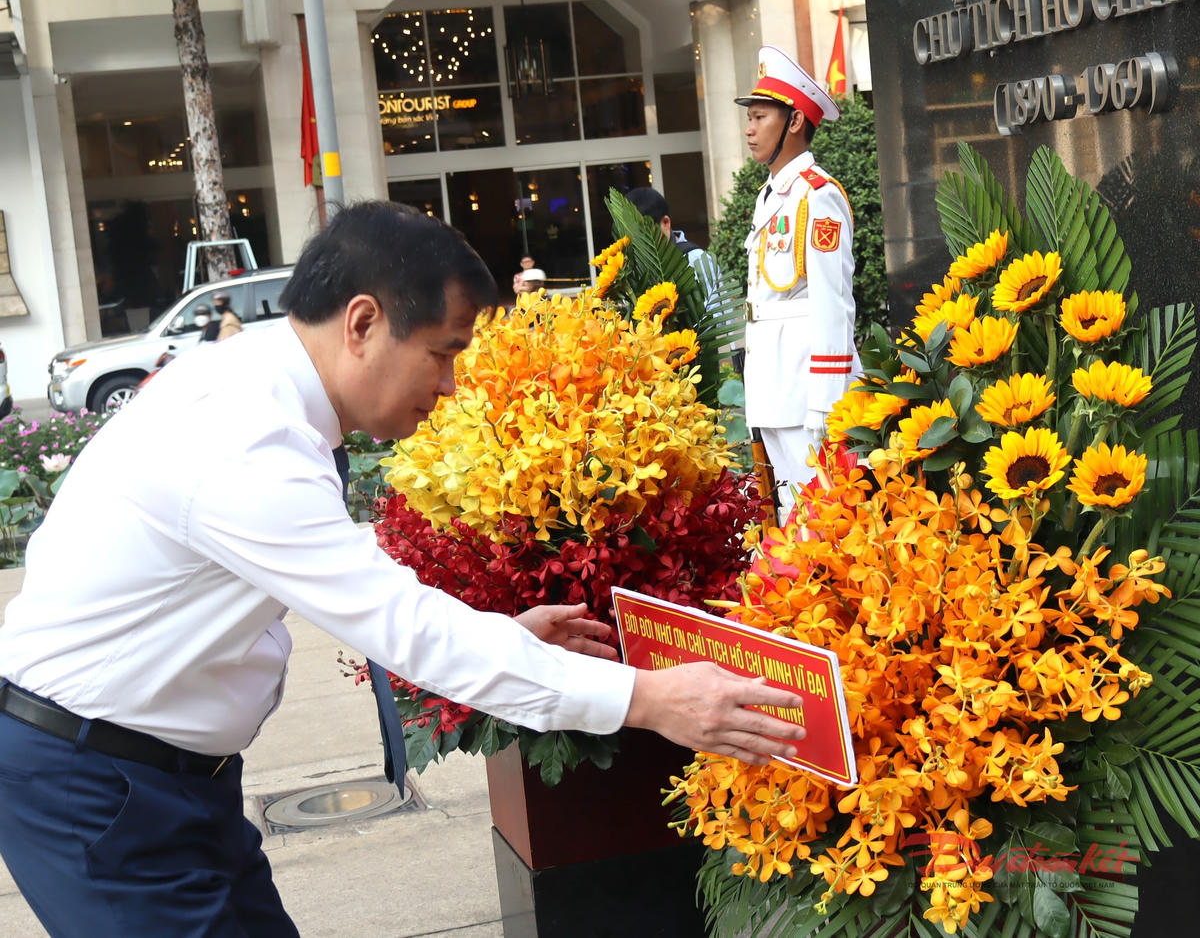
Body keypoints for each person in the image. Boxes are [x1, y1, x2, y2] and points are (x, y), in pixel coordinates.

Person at [0, 202, 807, 937]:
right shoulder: (246, 439)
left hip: (160, 773)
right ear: (362, 323)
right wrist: (652, 699)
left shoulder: (262, 397)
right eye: (443, 353)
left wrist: (496, 636)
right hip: (95, 784)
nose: (452, 387)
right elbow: (398, 621)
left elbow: (353, 579)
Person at [736, 45, 858, 522]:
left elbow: (834, 303)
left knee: (821, 519)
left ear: (793, 122)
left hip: (807, 392)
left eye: (761, 116)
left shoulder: (817, 195)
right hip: (772, 387)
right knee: (789, 520)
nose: (749, 128)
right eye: (750, 117)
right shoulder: (772, 196)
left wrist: (828, 403)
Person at [625, 187, 723, 313]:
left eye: (644, 233)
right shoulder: (635, 270)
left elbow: (719, 318)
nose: (637, 241)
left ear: (665, 223)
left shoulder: (697, 260)